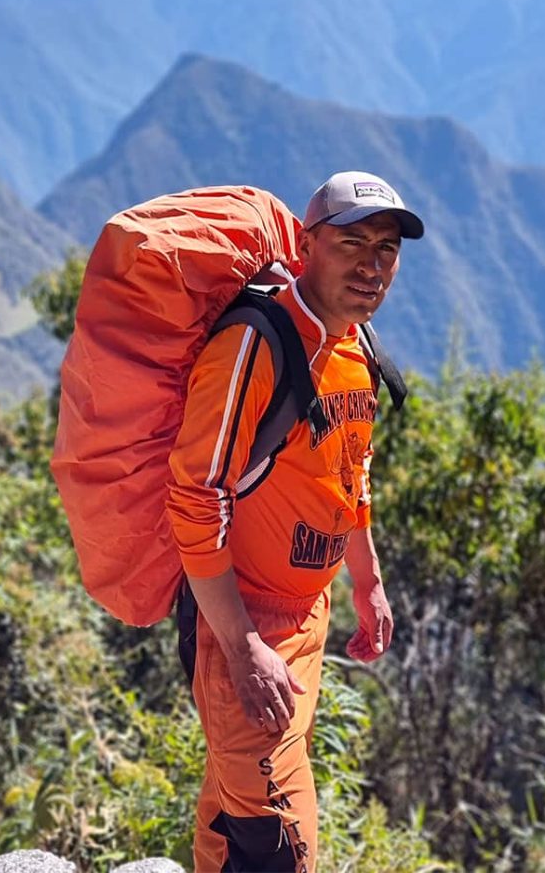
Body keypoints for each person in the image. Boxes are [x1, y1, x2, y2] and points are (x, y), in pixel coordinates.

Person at [166, 170, 425, 873]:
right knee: (281, 847)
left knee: (230, 819)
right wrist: (243, 645)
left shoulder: (356, 346)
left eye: (387, 249)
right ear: (308, 245)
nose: (372, 265)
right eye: (352, 244)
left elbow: (348, 467)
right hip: (240, 622)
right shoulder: (256, 345)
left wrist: (366, 579)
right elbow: (195, 498)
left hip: (307, 615)